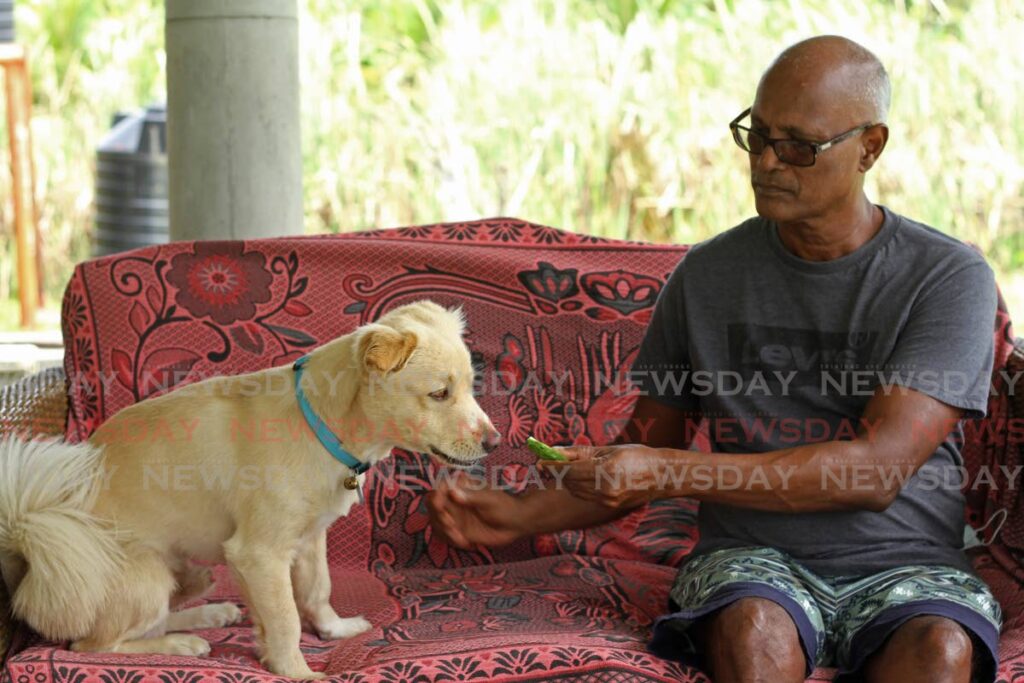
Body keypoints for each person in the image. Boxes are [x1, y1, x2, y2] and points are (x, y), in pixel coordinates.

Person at [427, 35, 1001, 683]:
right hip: (753, 561)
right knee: (752, 625)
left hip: (912, 563)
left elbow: (874, 471)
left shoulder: (947, 276)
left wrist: (667, 471)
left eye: (797, 147)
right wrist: (512, 513)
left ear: (870, 146)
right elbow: (641, 451)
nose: (766, 162)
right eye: (755, 135)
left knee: (940, 650)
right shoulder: (706, 275)